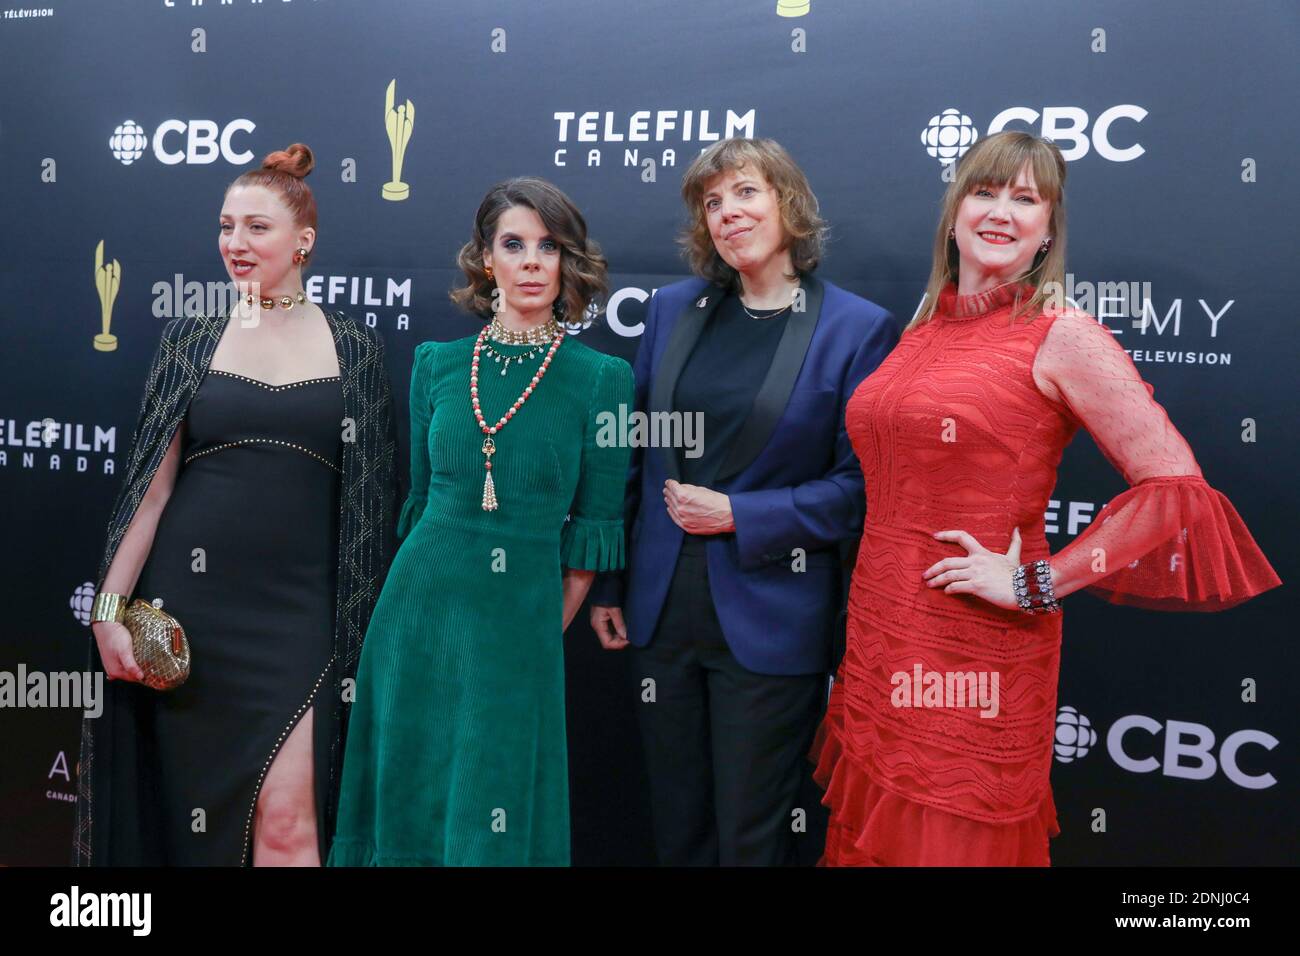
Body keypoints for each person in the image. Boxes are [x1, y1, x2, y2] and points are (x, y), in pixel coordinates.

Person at [810, 130, 1282, 866]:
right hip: (881, 630)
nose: (1002, 211)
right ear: (955, 211)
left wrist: (1037, 580)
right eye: (985, 191)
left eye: (1026, 199)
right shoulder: (920, 327)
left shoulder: (1063, 336)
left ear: (1048, 230)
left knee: (948, 837)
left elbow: (1176, 490)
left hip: (974, 646)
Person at [76, 143, 398, 866]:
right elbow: (149, 492)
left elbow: (372, 510)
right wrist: (107, 613)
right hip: (190, 618)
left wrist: (367, 640)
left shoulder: (356, 346)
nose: (235, 244)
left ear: (303, 242)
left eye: (257, 227)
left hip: (303, 621)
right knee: (192, 832)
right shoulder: (190, 337)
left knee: (291, 829)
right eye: (226, 226)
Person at [589, 137, 898, 866]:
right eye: (712, 202)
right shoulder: (672, 311)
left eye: (746, 193)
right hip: (661, 612)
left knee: (753, 834)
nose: (728, 213)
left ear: (788, 204)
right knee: (678, 821)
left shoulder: (854, 329)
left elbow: (862, 488)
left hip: (771, 614)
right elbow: (634, 450)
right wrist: (611, 580)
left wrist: (742, 515)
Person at [328, 177, 634, 866]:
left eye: (548, 247)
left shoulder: (601, 379)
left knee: (488, 801)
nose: (531, 261)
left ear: (567, 264)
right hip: (416, 616)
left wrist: (530, 628)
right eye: (513, 244)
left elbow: (592, 531)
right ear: (486, 260)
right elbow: (422, 504)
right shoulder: (437, 365)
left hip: (519, 624)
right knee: (409, 787)